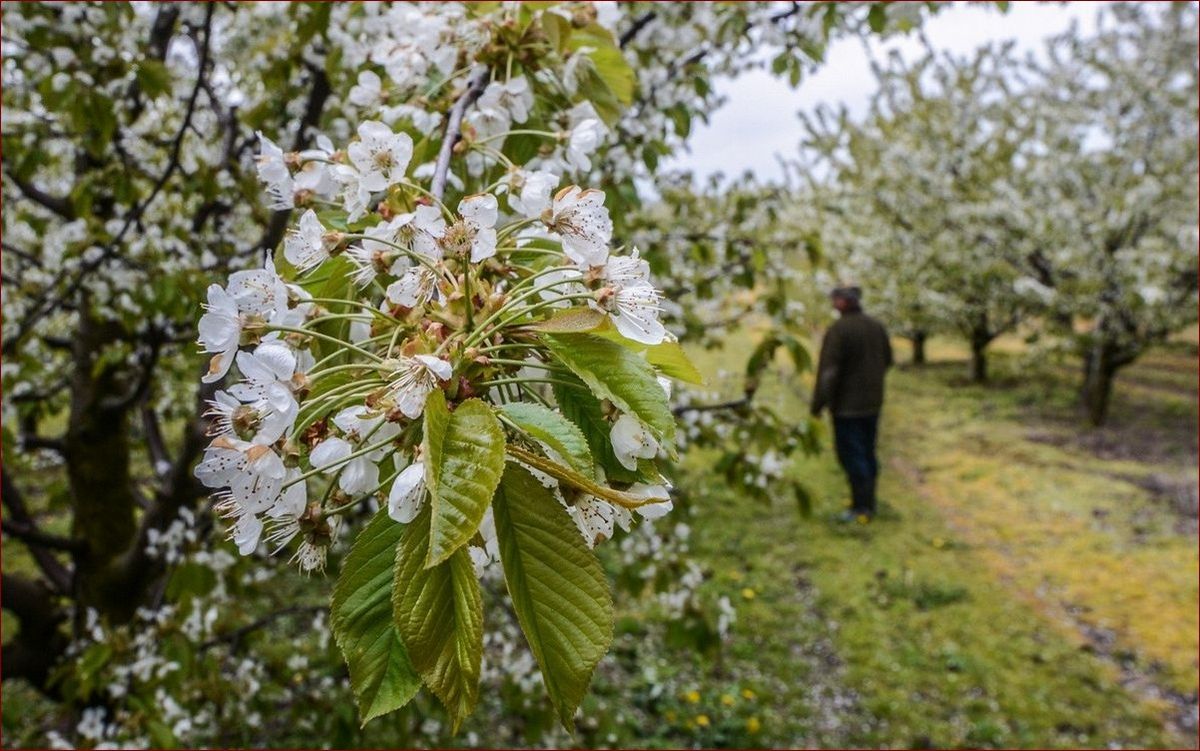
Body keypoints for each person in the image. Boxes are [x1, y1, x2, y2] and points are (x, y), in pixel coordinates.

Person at [810, 285, 893, 522]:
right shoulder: (876, 327)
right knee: (868, 452)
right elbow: (888, 360)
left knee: (852, 455)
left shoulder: (839, 330)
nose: (832, 303)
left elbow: (828, 372)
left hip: (847, 407)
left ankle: (861, 508)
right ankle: (868, 502)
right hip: (872, 403)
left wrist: (818, 404)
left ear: (843, 303)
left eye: (835, 299)